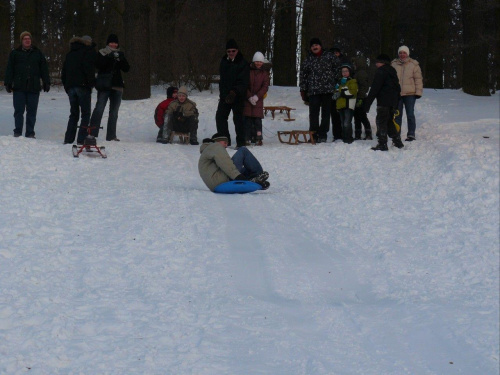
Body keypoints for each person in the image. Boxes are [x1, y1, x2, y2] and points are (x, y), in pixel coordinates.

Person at [4, 31, 50, 138]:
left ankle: (30, 132)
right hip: (19, 87)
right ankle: (18, 131)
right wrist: (8, 82)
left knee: (32, 111)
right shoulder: (15, 53)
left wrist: (46, 81)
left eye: (28, 38)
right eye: (25, 38)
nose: (27, 40)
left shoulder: (37, 53)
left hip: (34, 87)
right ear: (22, 41)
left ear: (31, 40)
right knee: (19, 111)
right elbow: (9, 69)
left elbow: (44, 68)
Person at [88, 34, 130, 143]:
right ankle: (92, 133)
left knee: (114, 112)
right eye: (111, 42)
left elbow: (126, 68)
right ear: (107, 43)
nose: (113, 44)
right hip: (104, 85)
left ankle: (111, 135)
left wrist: (120, 58)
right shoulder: (102, 53)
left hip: (117, 86)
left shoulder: (120, 54)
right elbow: (99, 65)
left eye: (115, 43)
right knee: (99, 109)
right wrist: (109, 58)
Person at [299, 38, 340, 143]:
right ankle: (313, 134)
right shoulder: (308, 60)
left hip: (327, 90)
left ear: (321, 46)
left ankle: (323, 134)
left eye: (316, 45)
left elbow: (338, 69)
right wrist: (303, 89)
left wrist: (334, 83)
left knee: (326, 113)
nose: (314, 47)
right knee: (313, 114)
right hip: (313, 91)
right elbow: (303, 75)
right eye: (312, 46)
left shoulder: (330, 56)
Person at [198, 133, 270, 192]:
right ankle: (257, 175)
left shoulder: (208, 150)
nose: (226, 145)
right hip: (222, 180)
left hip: (216, 183)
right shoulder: (215, 146)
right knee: (243, 151)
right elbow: (225, 162)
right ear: (217, 141)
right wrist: (237, 176)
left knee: (243, 169)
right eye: (225, 143)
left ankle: (253, 180)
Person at [363, 54, 404, 151]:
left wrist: (367, 104)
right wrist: (396, 101)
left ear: (381, 62)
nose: (376, 64)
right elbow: (397, 87)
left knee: (381, 122)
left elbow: (375, 88)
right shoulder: (392, 71)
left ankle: (382, 144)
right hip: (392, 102)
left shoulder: (381, 71)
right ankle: (397, 141)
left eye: (377, 62)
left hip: (383, 101)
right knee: (389, 122)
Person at [61, 35, 97, 144]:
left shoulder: (69, 54)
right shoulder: (85, 53)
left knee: (74, 113)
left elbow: (64, 73)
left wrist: (67, 86)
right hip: (83, 87)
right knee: (85, 114)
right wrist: (91, 83)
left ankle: (68, 139)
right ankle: (81, 139)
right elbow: (88, 70)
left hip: (71, 87)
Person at [215, 39, 250, 148]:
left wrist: (234, 92)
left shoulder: (243, 63)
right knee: (220, 117)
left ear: (237, 51)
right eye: (228, 51)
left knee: (238, 119)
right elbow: (223, 80)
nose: (230, 53)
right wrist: (223, 95)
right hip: (225, 96)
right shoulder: (224, 61)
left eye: (233, 51)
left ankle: (240, 142)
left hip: (238, 96)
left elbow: (243, 82)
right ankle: (225, 140)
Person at [391, 45, 423, 141]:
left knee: (410, 114)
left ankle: (411, 134)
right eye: (400, 53)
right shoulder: (393, 64)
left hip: (410, 94)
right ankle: (397, 134)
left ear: (407, 54)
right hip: (397, 94)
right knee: (397, 115)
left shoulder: (414, 64)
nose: (402, 55)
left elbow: (418, 79)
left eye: (404, 53)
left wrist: (418, 92)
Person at [243, 51, 271, 146]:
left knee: (257, 121)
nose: (258, 63)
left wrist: (256, 96)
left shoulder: (265, 73)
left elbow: (265, 86)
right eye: (256, 61)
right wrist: (249, 96)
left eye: (260, 62)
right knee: (247, 120)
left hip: (258, 101)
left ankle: (258, 137)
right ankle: (247, 137)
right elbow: (244, 84)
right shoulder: (248, 71)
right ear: (253, 61)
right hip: (247, 100)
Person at [333, 64, 357, 143]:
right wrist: (336, 93)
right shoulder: (339, 82)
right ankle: (344, 137)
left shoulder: (352, 81)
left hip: (348, 105)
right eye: (343, 71)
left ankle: (348, 137)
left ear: (350, 72)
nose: (344, 73)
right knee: (343, 122)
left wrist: (341, 93)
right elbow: (336, 90)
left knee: (347, 122)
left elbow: (353, 92)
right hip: (340, 105)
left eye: (346, 71)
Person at [330, 46, 349, 141]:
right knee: (334, 113)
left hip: (343, 90)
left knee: (344, 115)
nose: (335, 55)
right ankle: (337, 134)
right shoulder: (328, 62)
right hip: (332, 90)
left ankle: (345, 134)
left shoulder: (344, 62)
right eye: (333, 53)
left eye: (336, 53)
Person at [352, 56, 372, 140]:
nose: (354, 65)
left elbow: (364, 86)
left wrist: (360, 96)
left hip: (361, 98)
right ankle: (358, 134)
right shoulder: (357, 72)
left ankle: (368, 133)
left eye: (355, 64)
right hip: (357, 97)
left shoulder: (361, 73)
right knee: (357, 116)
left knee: (362, 116)